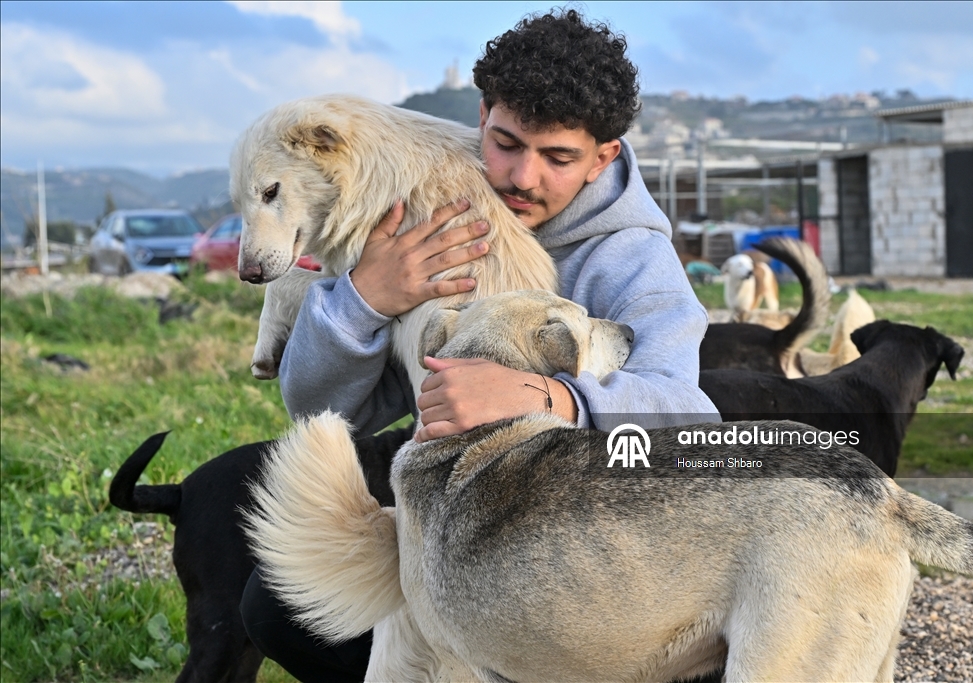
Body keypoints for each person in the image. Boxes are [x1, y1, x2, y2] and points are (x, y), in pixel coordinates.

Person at [241, 9, 721, 681]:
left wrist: (544, 394)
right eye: (505, 142)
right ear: (482, 114)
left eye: (558, 157)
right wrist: (366, 297)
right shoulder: (427, 212)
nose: (522, 176)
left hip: (576, 537)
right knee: (273, 606)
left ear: (603, 156)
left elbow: (689, 416)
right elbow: (322, 408)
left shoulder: (633, 258)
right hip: (462, 513)